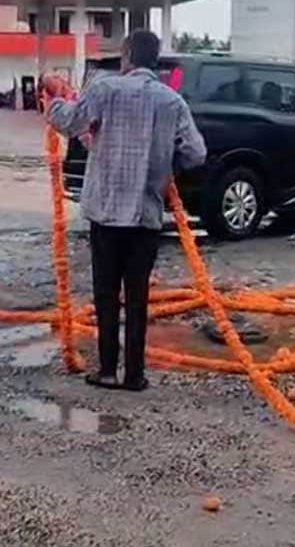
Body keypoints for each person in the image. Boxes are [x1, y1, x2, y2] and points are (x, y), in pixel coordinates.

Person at [42, 29, 207, 391]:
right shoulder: (172, 102)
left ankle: (106, 370)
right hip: (146, 216)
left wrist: (54, 99)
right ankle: (135, 374)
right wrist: (168, 166)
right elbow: (196, 153)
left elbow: (69, 122)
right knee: (137, 298)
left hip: (106, 213)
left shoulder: (105, 90)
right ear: (155, 60)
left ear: (127, 57)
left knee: (106, 295)